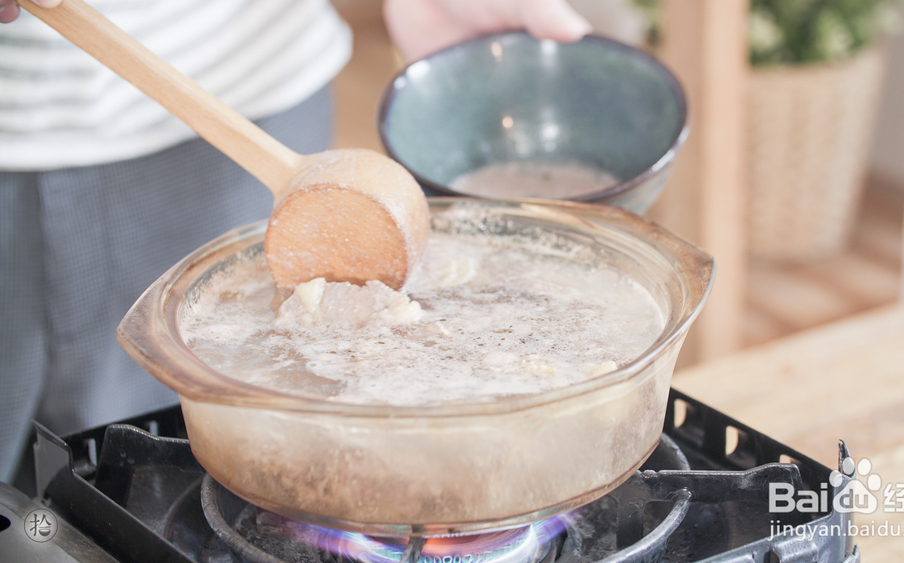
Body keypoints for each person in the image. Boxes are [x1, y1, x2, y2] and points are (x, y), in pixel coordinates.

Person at [0, 0, 591, 484]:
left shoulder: (309, 193)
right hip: (34, 131)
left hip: (271, 80)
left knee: (215, 458)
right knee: (75, 478)